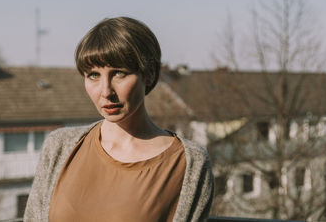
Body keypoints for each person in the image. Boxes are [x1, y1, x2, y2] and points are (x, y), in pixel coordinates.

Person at [24, 17, 213, 222]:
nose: (106, 91)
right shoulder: (60, 146)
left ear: (148, 74)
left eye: (119, 74)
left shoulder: (188, 162)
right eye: (94, 75)